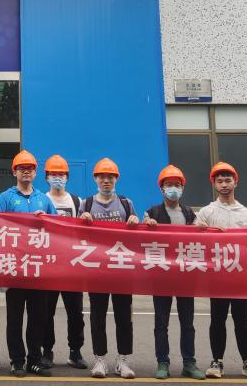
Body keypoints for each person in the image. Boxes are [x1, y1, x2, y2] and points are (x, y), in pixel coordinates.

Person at [196, 161, 247, 380]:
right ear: (214, 184)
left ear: (236, 182)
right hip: (217, 275)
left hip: (240, 277)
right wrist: (199, 230)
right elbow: (194, 243)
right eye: (220, 181)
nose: (224, 185)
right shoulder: (206, 213)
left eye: (228, 180)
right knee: (217, 320)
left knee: (241, 321)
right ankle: (216, 361)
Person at [0, 150, 57, 378]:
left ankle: (34, 360)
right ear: (15, 172)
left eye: (30, 168)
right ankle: (17, 361)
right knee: (15, 317)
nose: (26, 172)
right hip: (15, 267)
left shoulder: (44, 199)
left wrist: (46, 219)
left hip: (38, 268)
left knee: (38, 317)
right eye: (22, 168)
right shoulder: (5, 198)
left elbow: (58, 229)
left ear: (35, 173)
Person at [143, 165, 205, 380]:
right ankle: (162, 362)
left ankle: (189, 362)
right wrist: (146, 225)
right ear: (162, 188)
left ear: (182, 188)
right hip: (161, 276)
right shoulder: (152, 213)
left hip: (185, 276)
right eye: (169, 184)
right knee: (161, 323)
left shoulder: (189, 213)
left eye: (177, 185)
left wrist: (203, 228)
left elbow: (199, 238)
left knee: (187, 323)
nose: (173, 189)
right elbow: (140, 239)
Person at [79, 157, 138, 379]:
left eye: (110, 177)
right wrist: (82, 220)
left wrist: (135, 222)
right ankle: (100, 359)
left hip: (122, 269)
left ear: (116, 179)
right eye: (102, 176)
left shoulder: (126, 203)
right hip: (96, 270)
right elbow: (75, 237)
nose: (106, 180)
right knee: (98, 316)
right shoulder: (86, 204)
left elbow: (136, 236)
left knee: (124, 317)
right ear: (95, 178)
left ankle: (123, 360)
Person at [41, 155, 87, 371]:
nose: (57, 178)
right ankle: (47, 351)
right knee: (46, 313)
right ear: (46, 177)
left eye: (61, 174)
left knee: (75, 313)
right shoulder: (41, 200)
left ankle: (75, 352)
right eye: (53, 174)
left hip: (72, 266)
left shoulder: (77, 202)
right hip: (49, 266)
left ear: (67, 177)